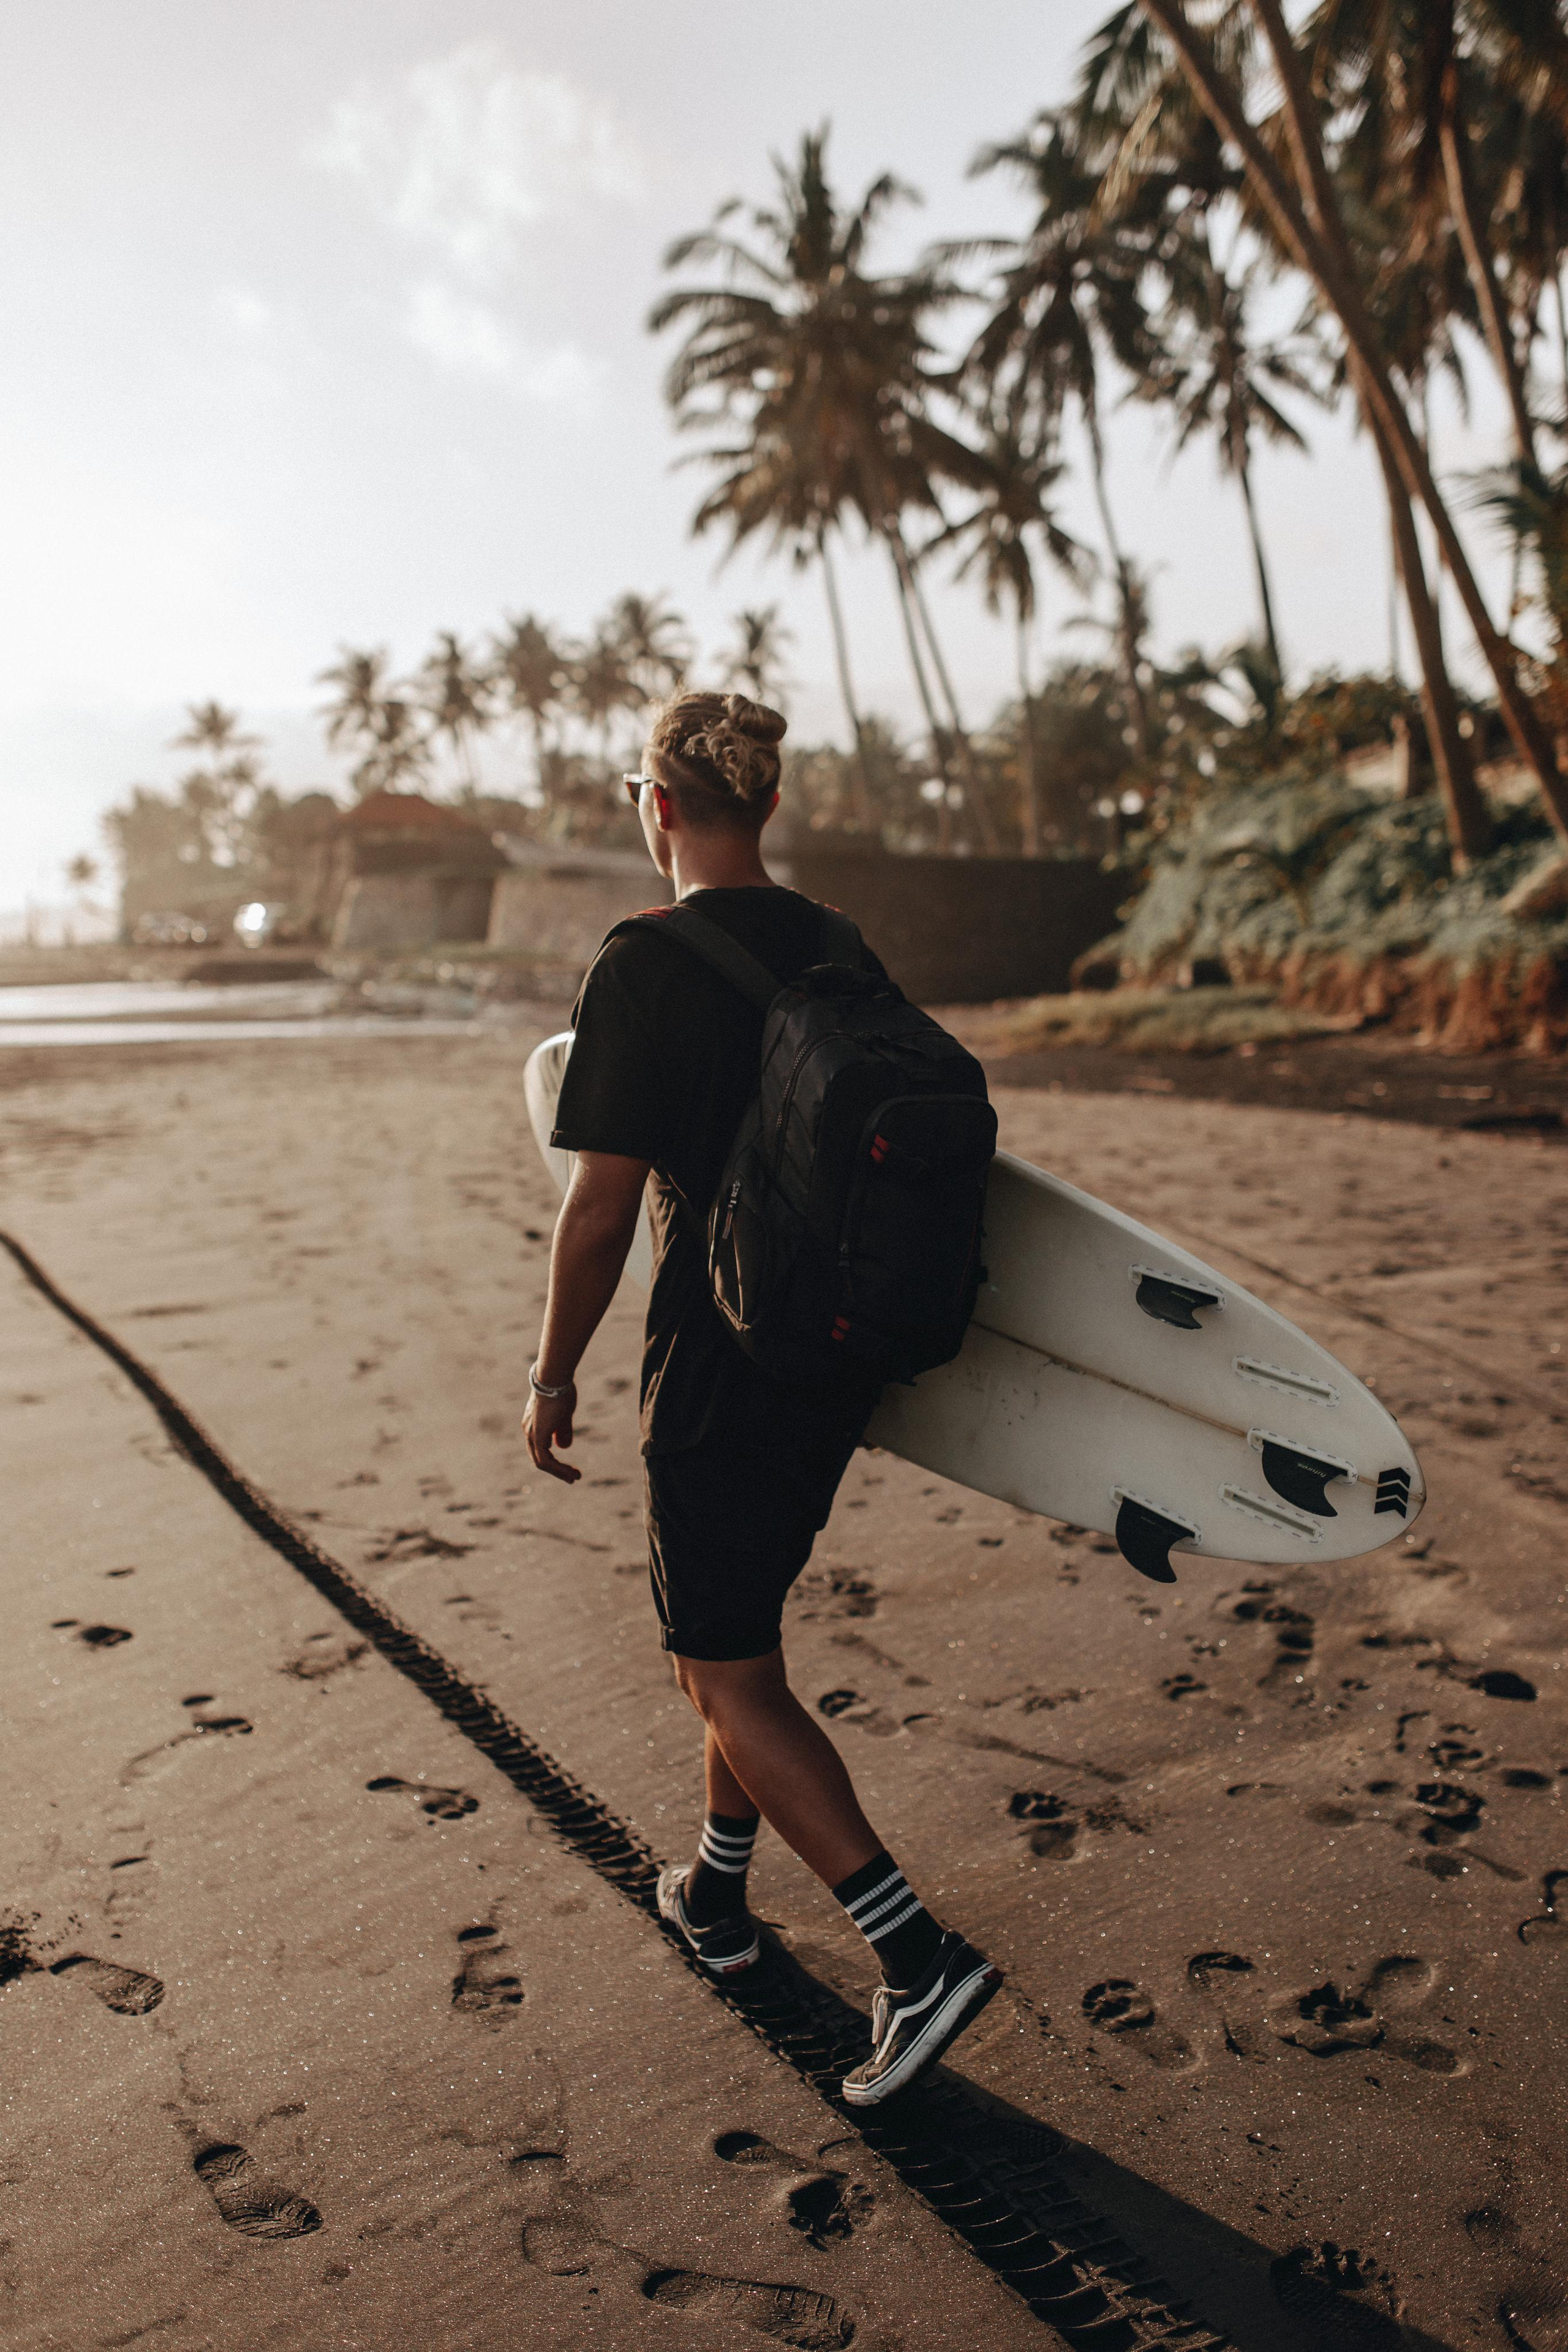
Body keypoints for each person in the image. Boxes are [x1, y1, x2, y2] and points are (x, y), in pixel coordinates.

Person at [522, 690, 1001, 2105]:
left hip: (720, 1355)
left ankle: (914, 1960)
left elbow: (599, 1208)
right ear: (766, 808)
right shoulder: (837, 943)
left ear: (654, 808)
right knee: (737, 1633)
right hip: (837, 1344)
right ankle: (719, 1899)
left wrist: (553, 1369)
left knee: (719, 1663)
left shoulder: (644, 961)